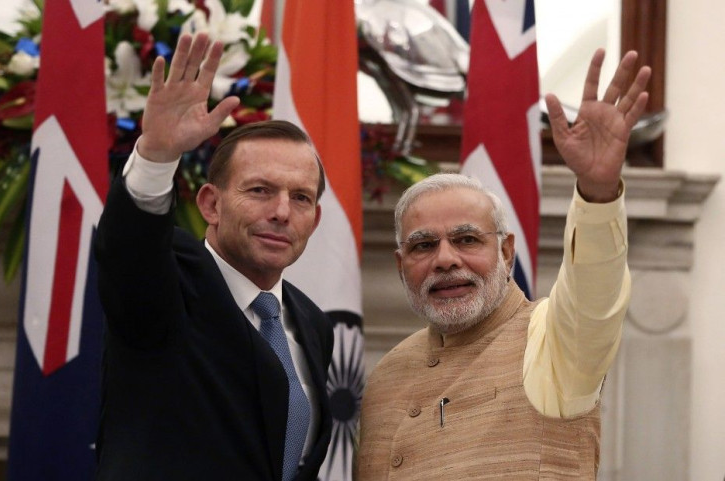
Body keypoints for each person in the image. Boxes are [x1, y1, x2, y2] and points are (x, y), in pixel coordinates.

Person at [357, 49, 651, 480]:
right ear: (402, 265)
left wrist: (597, 190)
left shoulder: (554, 344)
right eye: (423, 246)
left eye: (466, 239)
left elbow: (594, 296)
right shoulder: (385, 375)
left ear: (507, 252)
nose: (445, 259)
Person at [94, 33, 333, 481]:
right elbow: (129, 250)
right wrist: (158, 156)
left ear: (314, 220)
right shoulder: (171, 280)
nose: (282, 212)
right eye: (260, 190)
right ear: (210, 205)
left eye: (300, 198)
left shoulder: (313, 323)